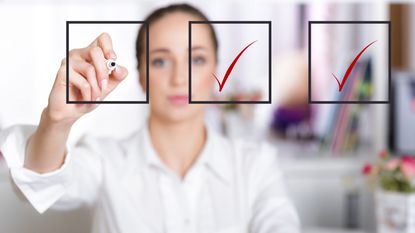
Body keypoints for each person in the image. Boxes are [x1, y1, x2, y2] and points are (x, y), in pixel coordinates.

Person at [0, 3, 300, 233]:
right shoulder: (104, 159)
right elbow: (39, 183)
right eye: (160, 61)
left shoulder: (256, 164)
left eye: (196, 59)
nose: (179, 77)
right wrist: (57, 121)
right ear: (141, 75)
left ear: (215, 71)